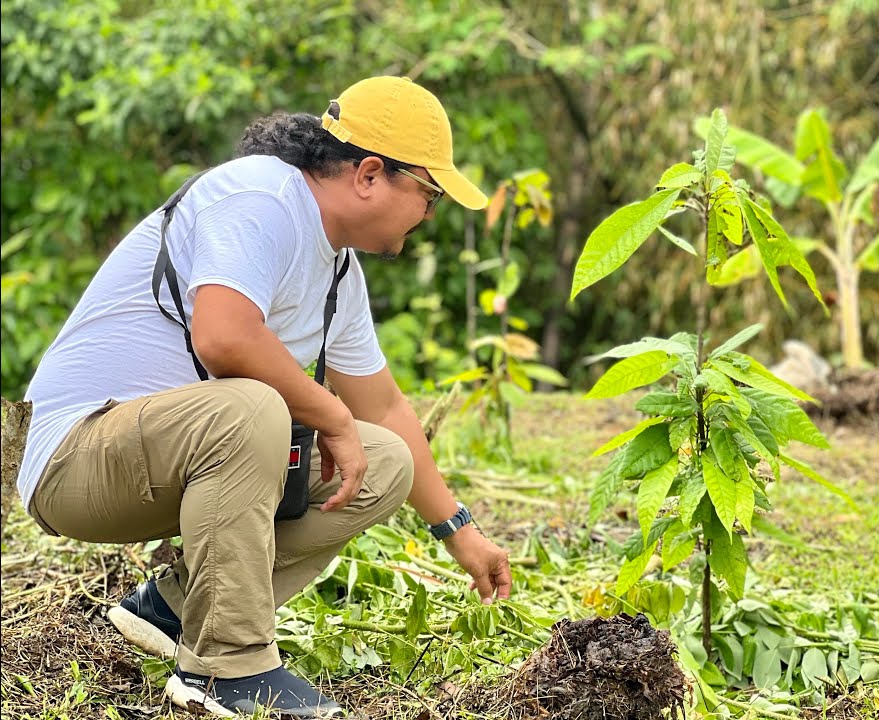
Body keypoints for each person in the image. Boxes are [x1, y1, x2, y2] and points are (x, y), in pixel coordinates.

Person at [17, 75, 513, 718]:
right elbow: (224, 336)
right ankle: (229, 668)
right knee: (258, 408)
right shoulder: (260, 195)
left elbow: (385, 408)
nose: (429, 215)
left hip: (172, 459)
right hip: (76, 459)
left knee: (382, 458)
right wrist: (329, 411)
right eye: (429, 193)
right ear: (369, 175)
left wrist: (460, 532)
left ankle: (170, 608)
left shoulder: (338, 272)